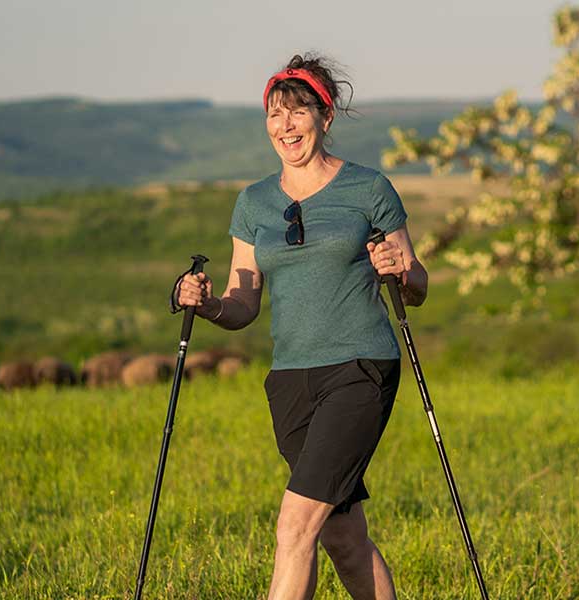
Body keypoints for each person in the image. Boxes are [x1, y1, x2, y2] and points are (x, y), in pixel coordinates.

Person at [176, 53, 427, 600]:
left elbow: (417, 284)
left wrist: (399, 271)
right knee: (342, 536)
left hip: (359, 368)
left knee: (294, 527)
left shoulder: (369, 188)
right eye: (274, 114)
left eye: (297, 112)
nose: (284, 125)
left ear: (325, 117)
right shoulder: (254, 202)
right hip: (290, 380)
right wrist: (205, 304)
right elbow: (243, 302)